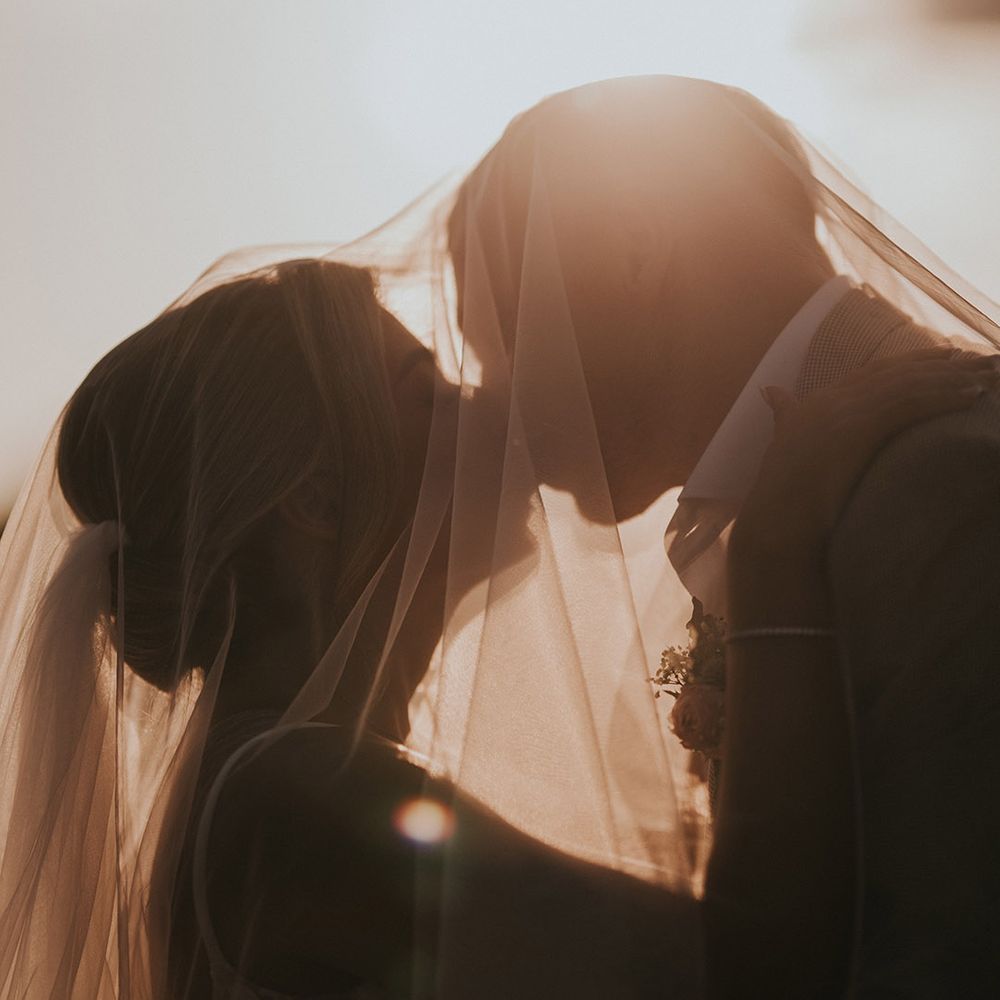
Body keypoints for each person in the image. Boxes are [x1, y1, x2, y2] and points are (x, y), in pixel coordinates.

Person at [0, 76, 997, 1000]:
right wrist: (778, 553)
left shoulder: (296, 782)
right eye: (424, 388)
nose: (494, 405)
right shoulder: (291, 802)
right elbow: (734, 975)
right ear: (309, 501)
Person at [447, 75, 1000, 996]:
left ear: (633, 252)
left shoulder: (940, 484)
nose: (495, 399)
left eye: (506, 335)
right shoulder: (812, 498)